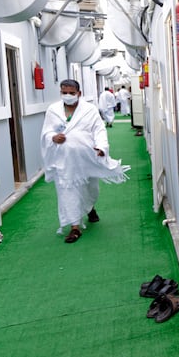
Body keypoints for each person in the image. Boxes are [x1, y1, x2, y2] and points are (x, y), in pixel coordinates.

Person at [40, 79, 130, 243]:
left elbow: (99, 130)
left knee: (89, 188)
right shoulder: (53, 111)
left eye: (71, 93)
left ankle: (89, 208)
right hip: (64, 161)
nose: (67, 96)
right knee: (67, 190)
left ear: (79, 93)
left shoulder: (89, 110)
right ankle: (74, 227)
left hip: (86, 158)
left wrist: (102, 147)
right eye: (64, 92)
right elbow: (46, 132)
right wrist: (53, 137)